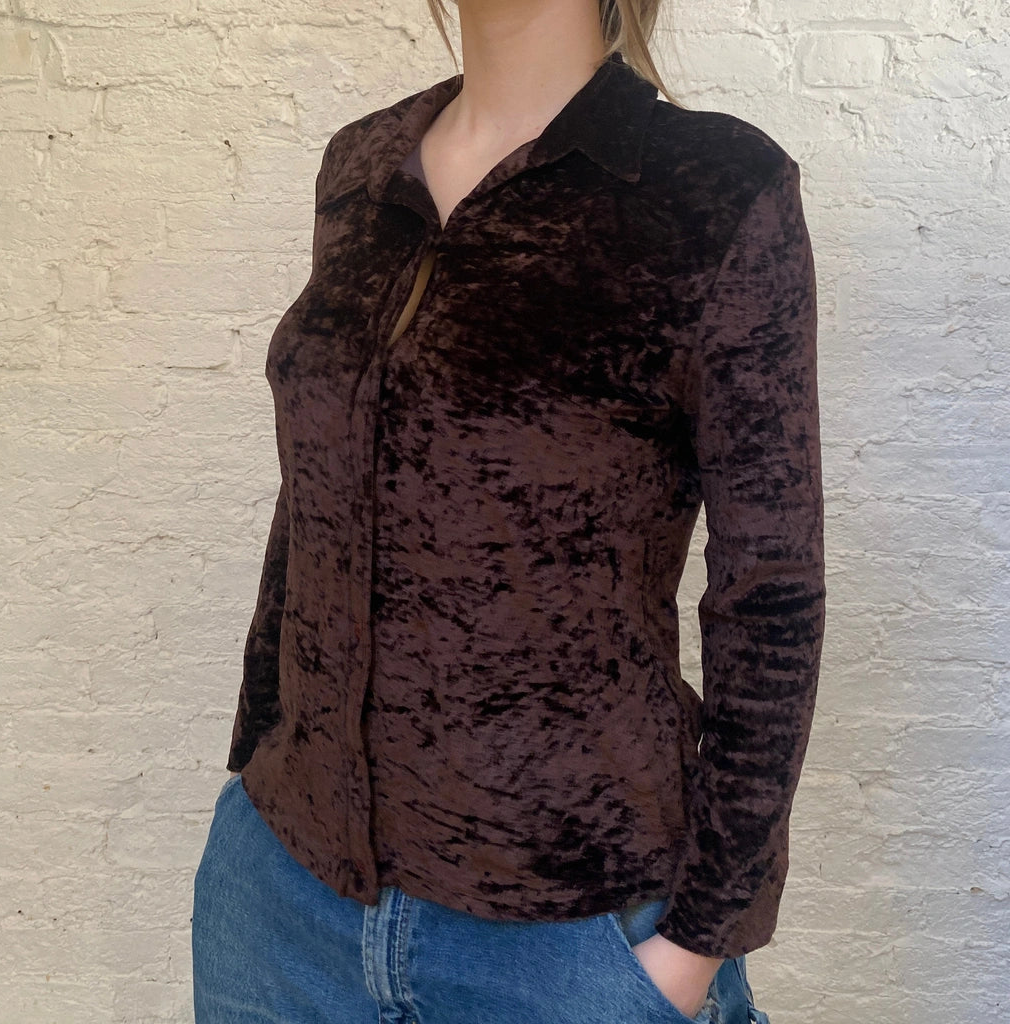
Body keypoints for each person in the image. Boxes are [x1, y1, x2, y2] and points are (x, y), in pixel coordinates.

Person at [191, 0, 826, 1021]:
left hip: (568, 939)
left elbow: (771, 594)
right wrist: (254, 759)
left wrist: (699, 942)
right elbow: (316, 500)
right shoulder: (361, 166)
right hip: (283, 909)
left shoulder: (708, 189)